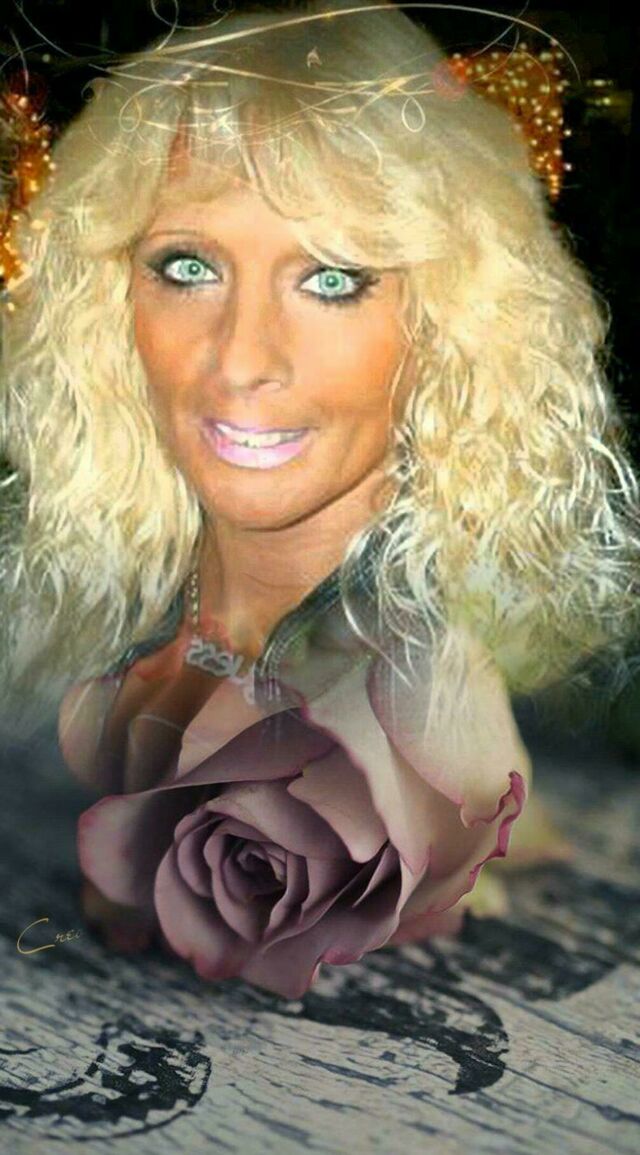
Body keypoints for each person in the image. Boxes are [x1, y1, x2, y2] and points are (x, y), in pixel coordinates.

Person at [1, 0, 639, 973]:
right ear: (107, 297)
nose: (243, 359)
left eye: (333, 278)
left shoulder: (431, 692)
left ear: (453, 315)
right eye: (187, 266)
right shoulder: (130, 659)